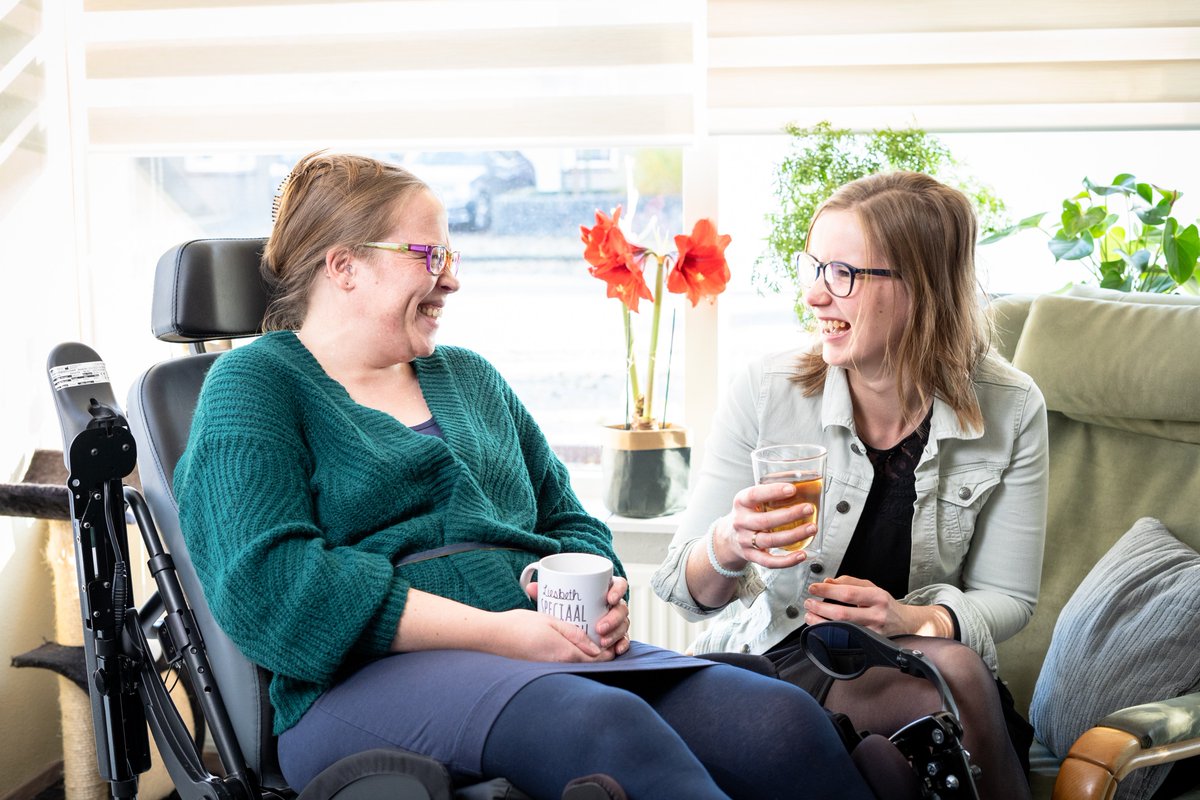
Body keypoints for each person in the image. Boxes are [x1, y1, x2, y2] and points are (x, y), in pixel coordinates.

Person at [172, 151, 885, 800]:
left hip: (541, 650)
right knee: (599, 727)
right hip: (354, 686)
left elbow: (572, 525)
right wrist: (503, 633)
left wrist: (597, 590)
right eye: (430, 253)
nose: (452, 276)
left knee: (779, 718)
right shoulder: (255, 383)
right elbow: (271, 588)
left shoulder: (471, 378)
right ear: (344, 266)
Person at [652, 171, 1048, 800]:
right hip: (787, 658)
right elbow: (683, 589)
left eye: (843, 273)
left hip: (920, 662)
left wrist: (914, 618)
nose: (815, 295)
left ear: (921, 286)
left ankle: (880, 771)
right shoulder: (767, 390)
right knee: (944, 691)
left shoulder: (1011, 406)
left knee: (945, 673)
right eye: (814, 268)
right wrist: (730, 543)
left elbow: (1009, 598)